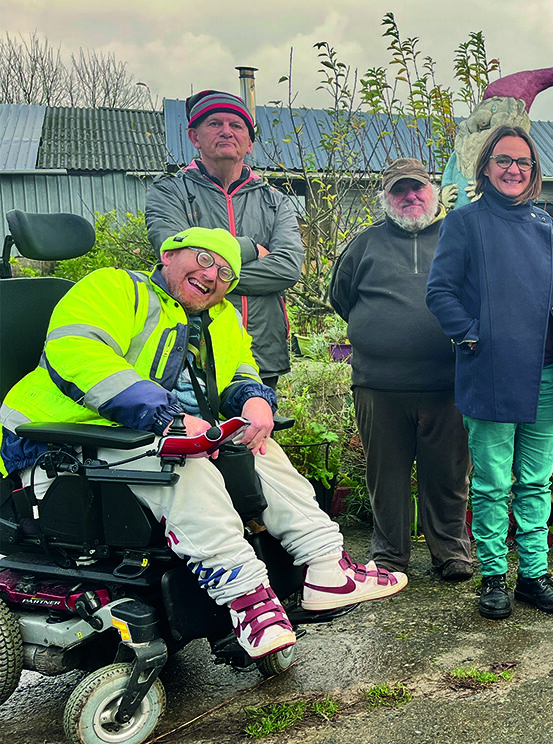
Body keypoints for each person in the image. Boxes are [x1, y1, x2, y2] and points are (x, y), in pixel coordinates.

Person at [0, 227, 405, 659]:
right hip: (60, 442)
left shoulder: (221, 316)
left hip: (152, 438)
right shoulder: (116, 287)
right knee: (181, 462)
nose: (213, 276)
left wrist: (254, 401)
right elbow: (78, 353)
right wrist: (168, 417)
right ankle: (248, 600)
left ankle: (326, 567)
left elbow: (239, 368)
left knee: (256, 447)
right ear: (169, 254)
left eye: (227, 272)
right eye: (205, 259)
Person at [426, 125, 553, 620]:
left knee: (536, 482)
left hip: (545, 374)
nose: (514, 170)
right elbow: (440, 292)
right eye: (504, 161)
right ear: (487, 167)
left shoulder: (542, 222)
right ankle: (494, 577)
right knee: (493, 483)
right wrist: (474, 335)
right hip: (492, 371)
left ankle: (533, 574)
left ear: (534, 172)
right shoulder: (465, 222)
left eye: (524, 163)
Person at [328, 159, 473, 581]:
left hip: (448, 385)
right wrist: (382, 332)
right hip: (380, 387)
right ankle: (389, 555)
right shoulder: (365, 244)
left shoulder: (457, 237)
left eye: (417, 189)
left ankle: (451, 553)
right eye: (399, 191)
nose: (410, 197)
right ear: (386, 199)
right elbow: (341, 297)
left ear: (433, 191)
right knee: (385, 478)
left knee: (448, 475)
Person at [146, 89, 303, 388]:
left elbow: (288, 268)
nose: (226, 132)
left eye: (236, 125)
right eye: (215, 123)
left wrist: (205, 271)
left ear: (249, 142)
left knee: (256, 432)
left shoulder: (275, 201)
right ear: (195, 136)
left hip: (262, 350)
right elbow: (175, 257)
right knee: (195, 431)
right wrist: (250, 249)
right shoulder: (170, 192)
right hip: (193, 349)